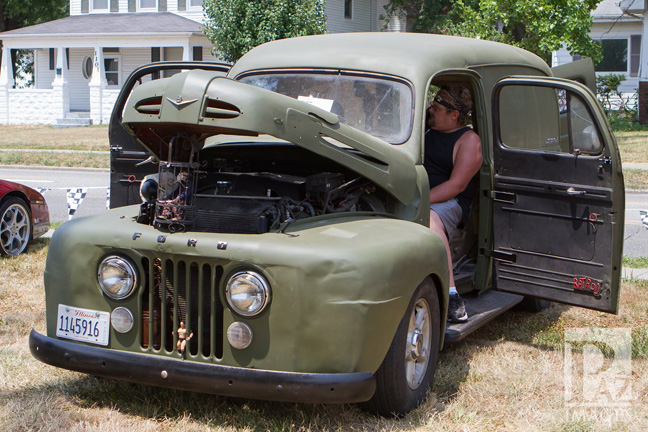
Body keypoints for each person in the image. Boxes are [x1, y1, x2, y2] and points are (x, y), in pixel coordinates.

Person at [424, 85, 482, 323]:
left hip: (450, 203)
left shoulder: (468, 140)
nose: (430, 110)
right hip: (417, 193)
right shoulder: (426, 130)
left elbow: (456, 185)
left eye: (436, 108)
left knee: (428, 218)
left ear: (454, 115)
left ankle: (452, 295)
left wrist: (418, 200)